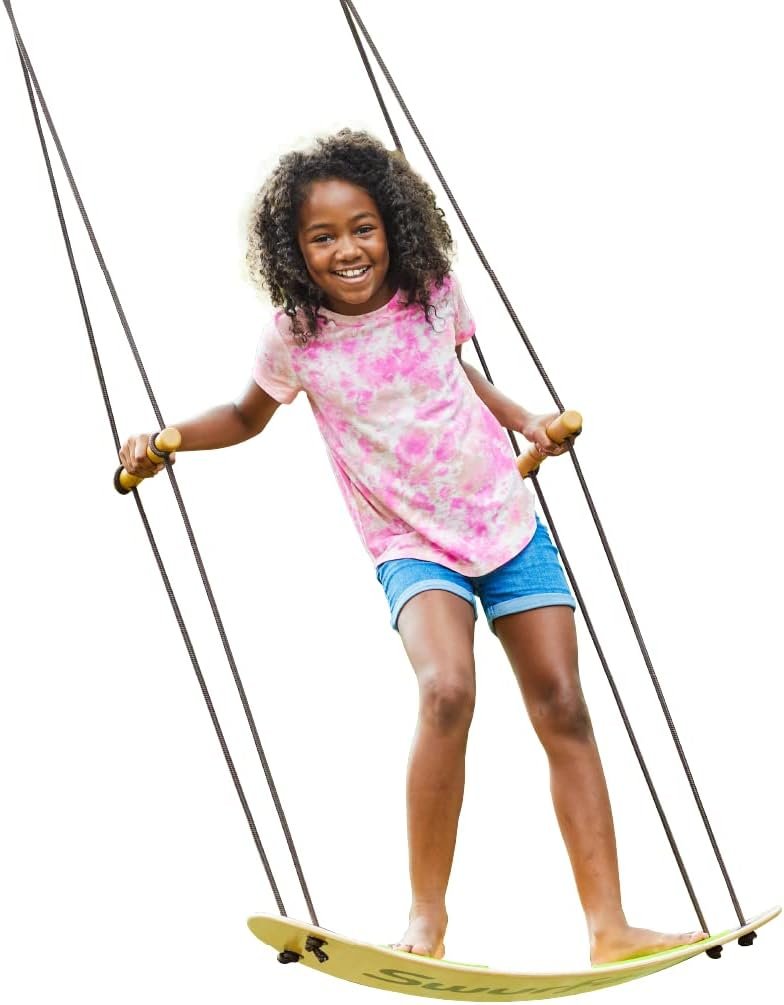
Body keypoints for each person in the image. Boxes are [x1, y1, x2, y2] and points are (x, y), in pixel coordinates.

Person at [119, 129, 706, 965]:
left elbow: (454, 376)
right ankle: (425, 924)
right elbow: (247, 416)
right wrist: (165, 439)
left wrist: (527, 420)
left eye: (363, 227)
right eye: (322, 236)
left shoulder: (433, 293)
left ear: (392, 224)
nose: (347, 249)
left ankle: (609, 927)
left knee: (563, 703)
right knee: (446, 688)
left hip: (504, 517)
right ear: (293, 249)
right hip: (408, 537)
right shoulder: (296, 336)